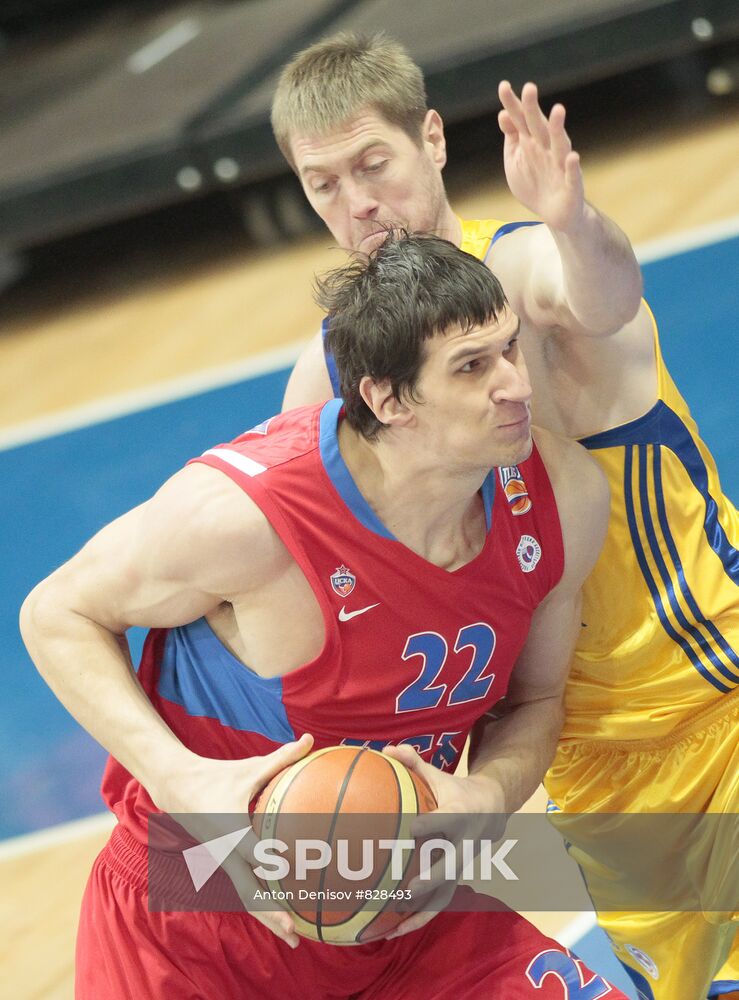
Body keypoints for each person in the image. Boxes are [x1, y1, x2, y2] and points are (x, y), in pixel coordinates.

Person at [20, 233, 624, 998]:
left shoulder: (560, 495)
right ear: (387, 398)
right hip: (203, 918)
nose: (515, 383)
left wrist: (489, 794)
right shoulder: (248, 518)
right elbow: (55, 613)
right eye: (472, 366)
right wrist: (182, 781)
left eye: (509, 349)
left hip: (412, 915)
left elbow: (534, 701)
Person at [271, 33, 739, 1000]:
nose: (357, 203)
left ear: (432, 140)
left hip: (712, 688)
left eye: (374, 164)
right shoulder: (329, 376)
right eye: (323, 185)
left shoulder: (517, 269)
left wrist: (573, 222)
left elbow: (599, 298)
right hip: (581, 756)